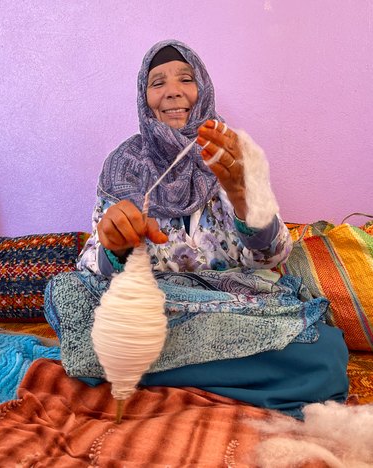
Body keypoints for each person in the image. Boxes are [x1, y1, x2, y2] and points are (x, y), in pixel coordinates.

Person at [45, 39, 348, 418]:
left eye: (185, 79)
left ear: (202, 88)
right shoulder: (124, 165)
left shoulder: (231, 153)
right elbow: (92, 266)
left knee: (326, 352)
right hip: (155, 310)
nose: (172, 91)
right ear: (144, 97)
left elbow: (272, 256)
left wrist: (242, 194)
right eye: (157, 83)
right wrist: (113, 246)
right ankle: (232, 376)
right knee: (66, 291)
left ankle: (136, 373)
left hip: (229, 307)